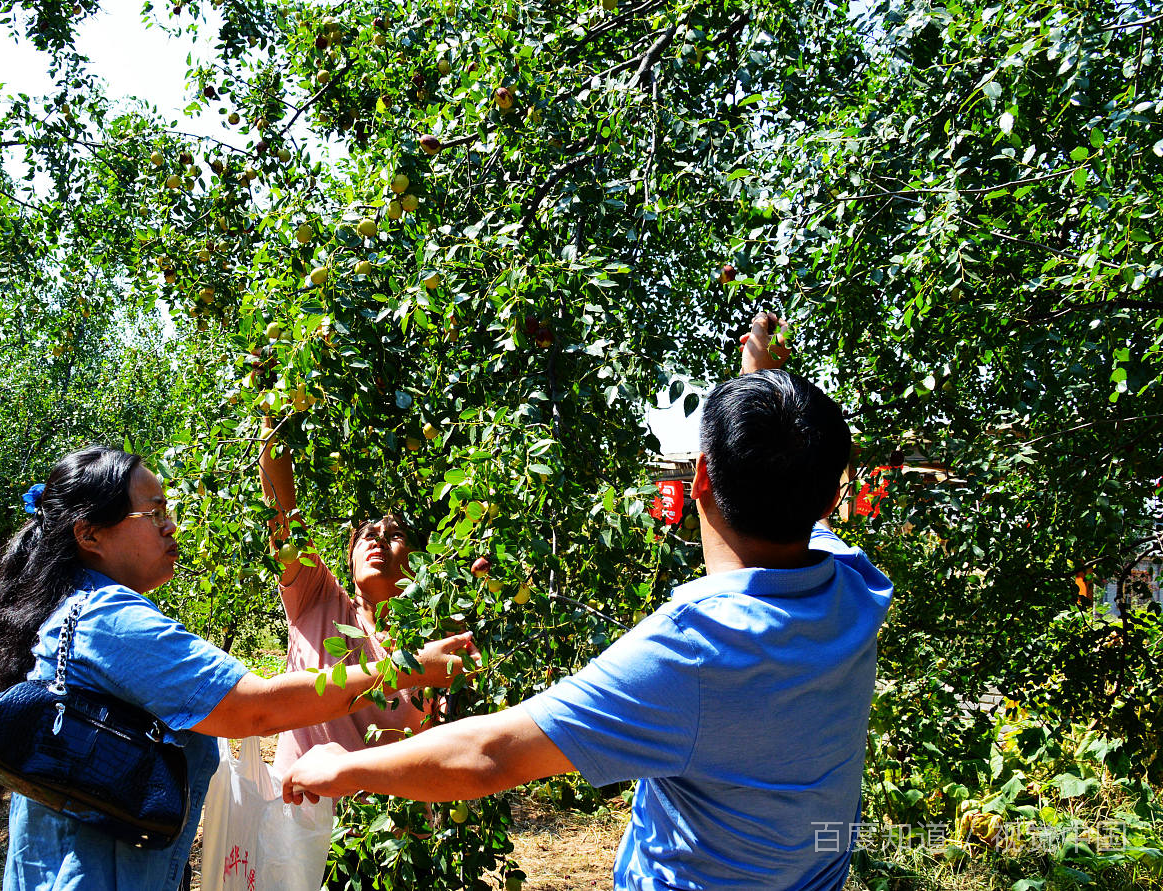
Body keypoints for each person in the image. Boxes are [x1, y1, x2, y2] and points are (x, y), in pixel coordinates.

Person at [282, 314, 895, 891]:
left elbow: (487, 755)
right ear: (826, 500)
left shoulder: (693, 650)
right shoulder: (854, 584)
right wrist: (761, 378)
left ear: (699, 478)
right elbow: (794, 485)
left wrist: (340, 767)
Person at [0, 445, 479, 891]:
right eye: (154, 514)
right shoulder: (110, 621)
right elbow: (256, 709)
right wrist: (405, 669)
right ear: (91, 534)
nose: (171, 525)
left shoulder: (87, 610)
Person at [257, 415, 444, 776]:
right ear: (350, 559)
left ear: (418, 560)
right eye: (367, 535)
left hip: (391, 827)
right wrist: (273, 411)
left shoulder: (431, 641)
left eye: (394, 534)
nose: (377, 537)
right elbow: (281, 514)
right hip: (299, 816)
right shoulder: (317, 597)